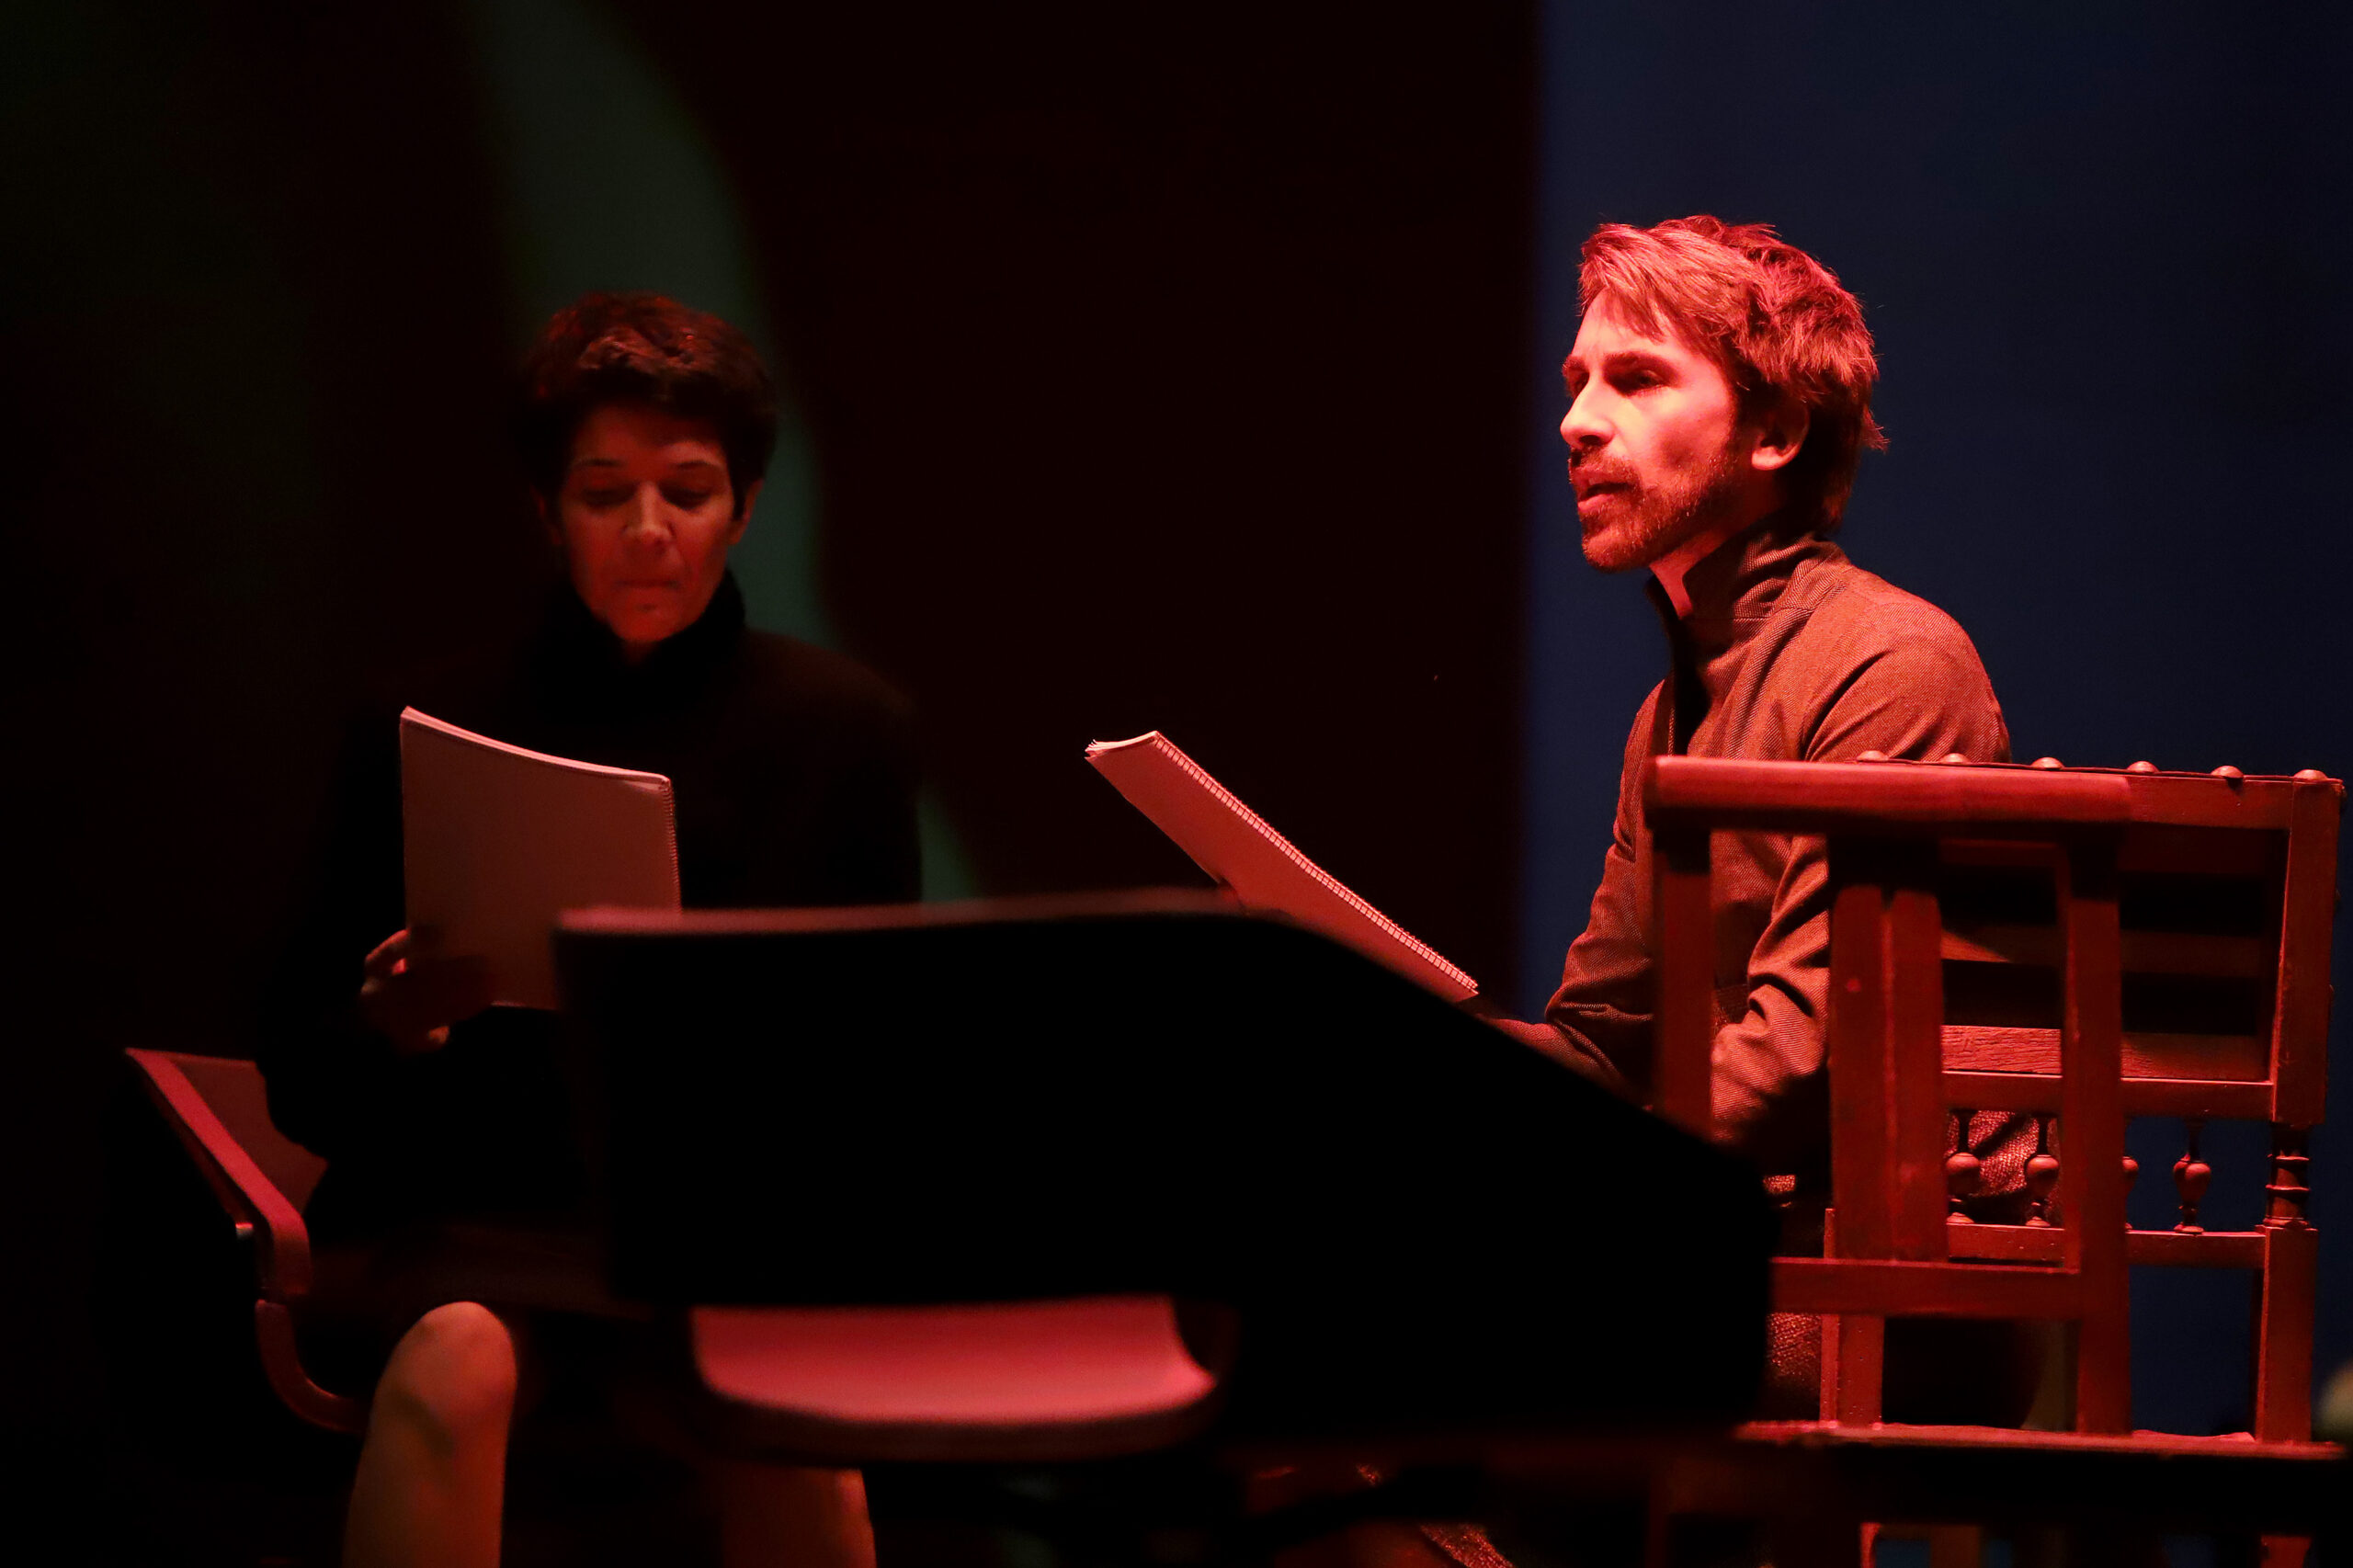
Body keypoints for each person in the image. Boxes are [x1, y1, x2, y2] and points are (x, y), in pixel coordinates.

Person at [256, 292, 917, 1563]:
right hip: (475, 1215)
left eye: (690, 491)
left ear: (746, 506)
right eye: (606, 493)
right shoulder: (424, 722)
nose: (649, 531)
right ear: (548, 509)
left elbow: (884, 1070)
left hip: (727, 1232)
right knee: (450, 1366)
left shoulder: (844, 732)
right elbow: (297, 1059)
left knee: (803, 1440)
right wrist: (394, 1026)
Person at [1498, 217, 2041, 1421]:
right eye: (1578, 380)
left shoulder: (1892, 662)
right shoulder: (1672, 710)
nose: (1577, 420)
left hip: (1883, 1293)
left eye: (1637, 379)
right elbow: (1601, 1039)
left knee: (1390, 1346)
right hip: (1742, 1252)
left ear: (1777, 431)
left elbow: (1802, 1051)